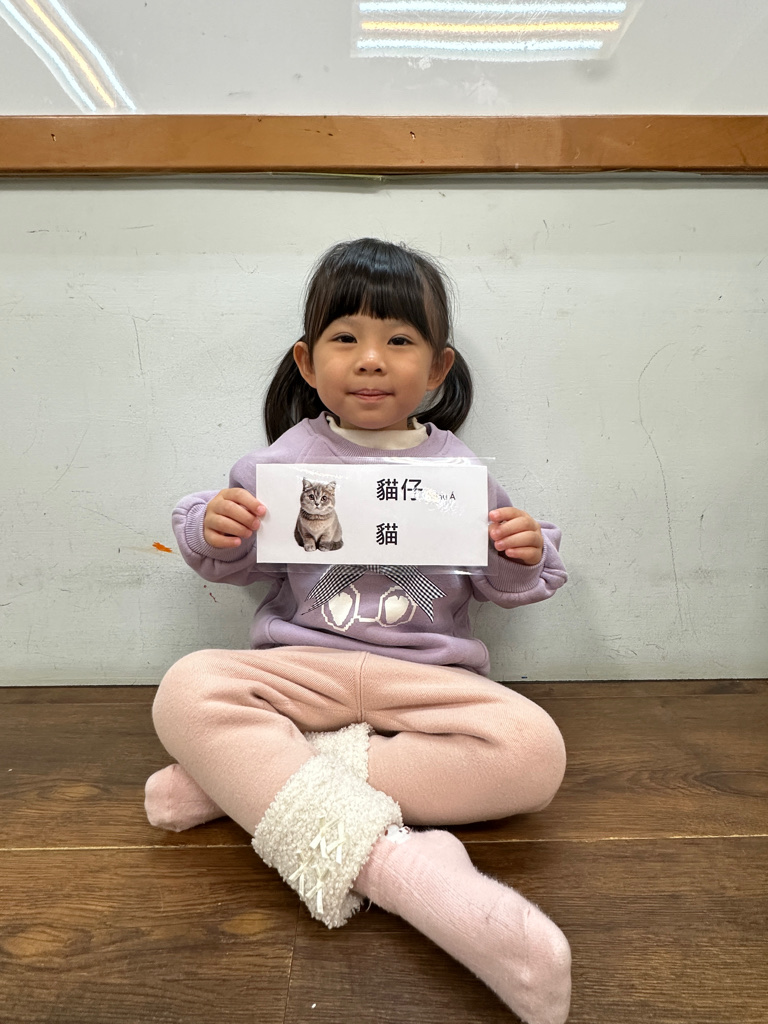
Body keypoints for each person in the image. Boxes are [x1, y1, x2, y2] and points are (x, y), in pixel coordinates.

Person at [145, 238, 571, 1024]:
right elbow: (235, 564)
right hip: (303, 669)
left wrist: (520, 553)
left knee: (535, 753)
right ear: (308, 363)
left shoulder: (462, 475)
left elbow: (505, 586)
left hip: (429, 681)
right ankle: (403, 869)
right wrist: (216, 528)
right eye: (346, 337)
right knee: (187, 687)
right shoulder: (280, 464)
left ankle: (249, 779)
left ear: (438, 369)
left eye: (399, 340)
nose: (371, 359)